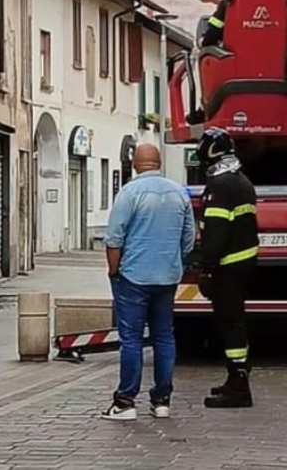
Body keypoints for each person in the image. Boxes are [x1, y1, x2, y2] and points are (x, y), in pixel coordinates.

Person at [102, 143, 195, 421]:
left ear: (134, 163)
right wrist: (174, 261)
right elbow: (189, 238)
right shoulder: (180, 193)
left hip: (133, 276)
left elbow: (114, 238)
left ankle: (125, 402)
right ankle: (162, 400)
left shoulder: (129, 193)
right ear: (158, 163)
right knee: (164, 337)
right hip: (167, 277)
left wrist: (113, 271)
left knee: (130, 339)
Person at [195, 127, 258, 409]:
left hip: (227, 267)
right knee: (236, 323)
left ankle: (238, 386)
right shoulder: (241, 181)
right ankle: (236, 378)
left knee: (230, 324)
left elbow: (216, 233)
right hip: (241, 263)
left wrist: (206, 268)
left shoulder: (220, 185)